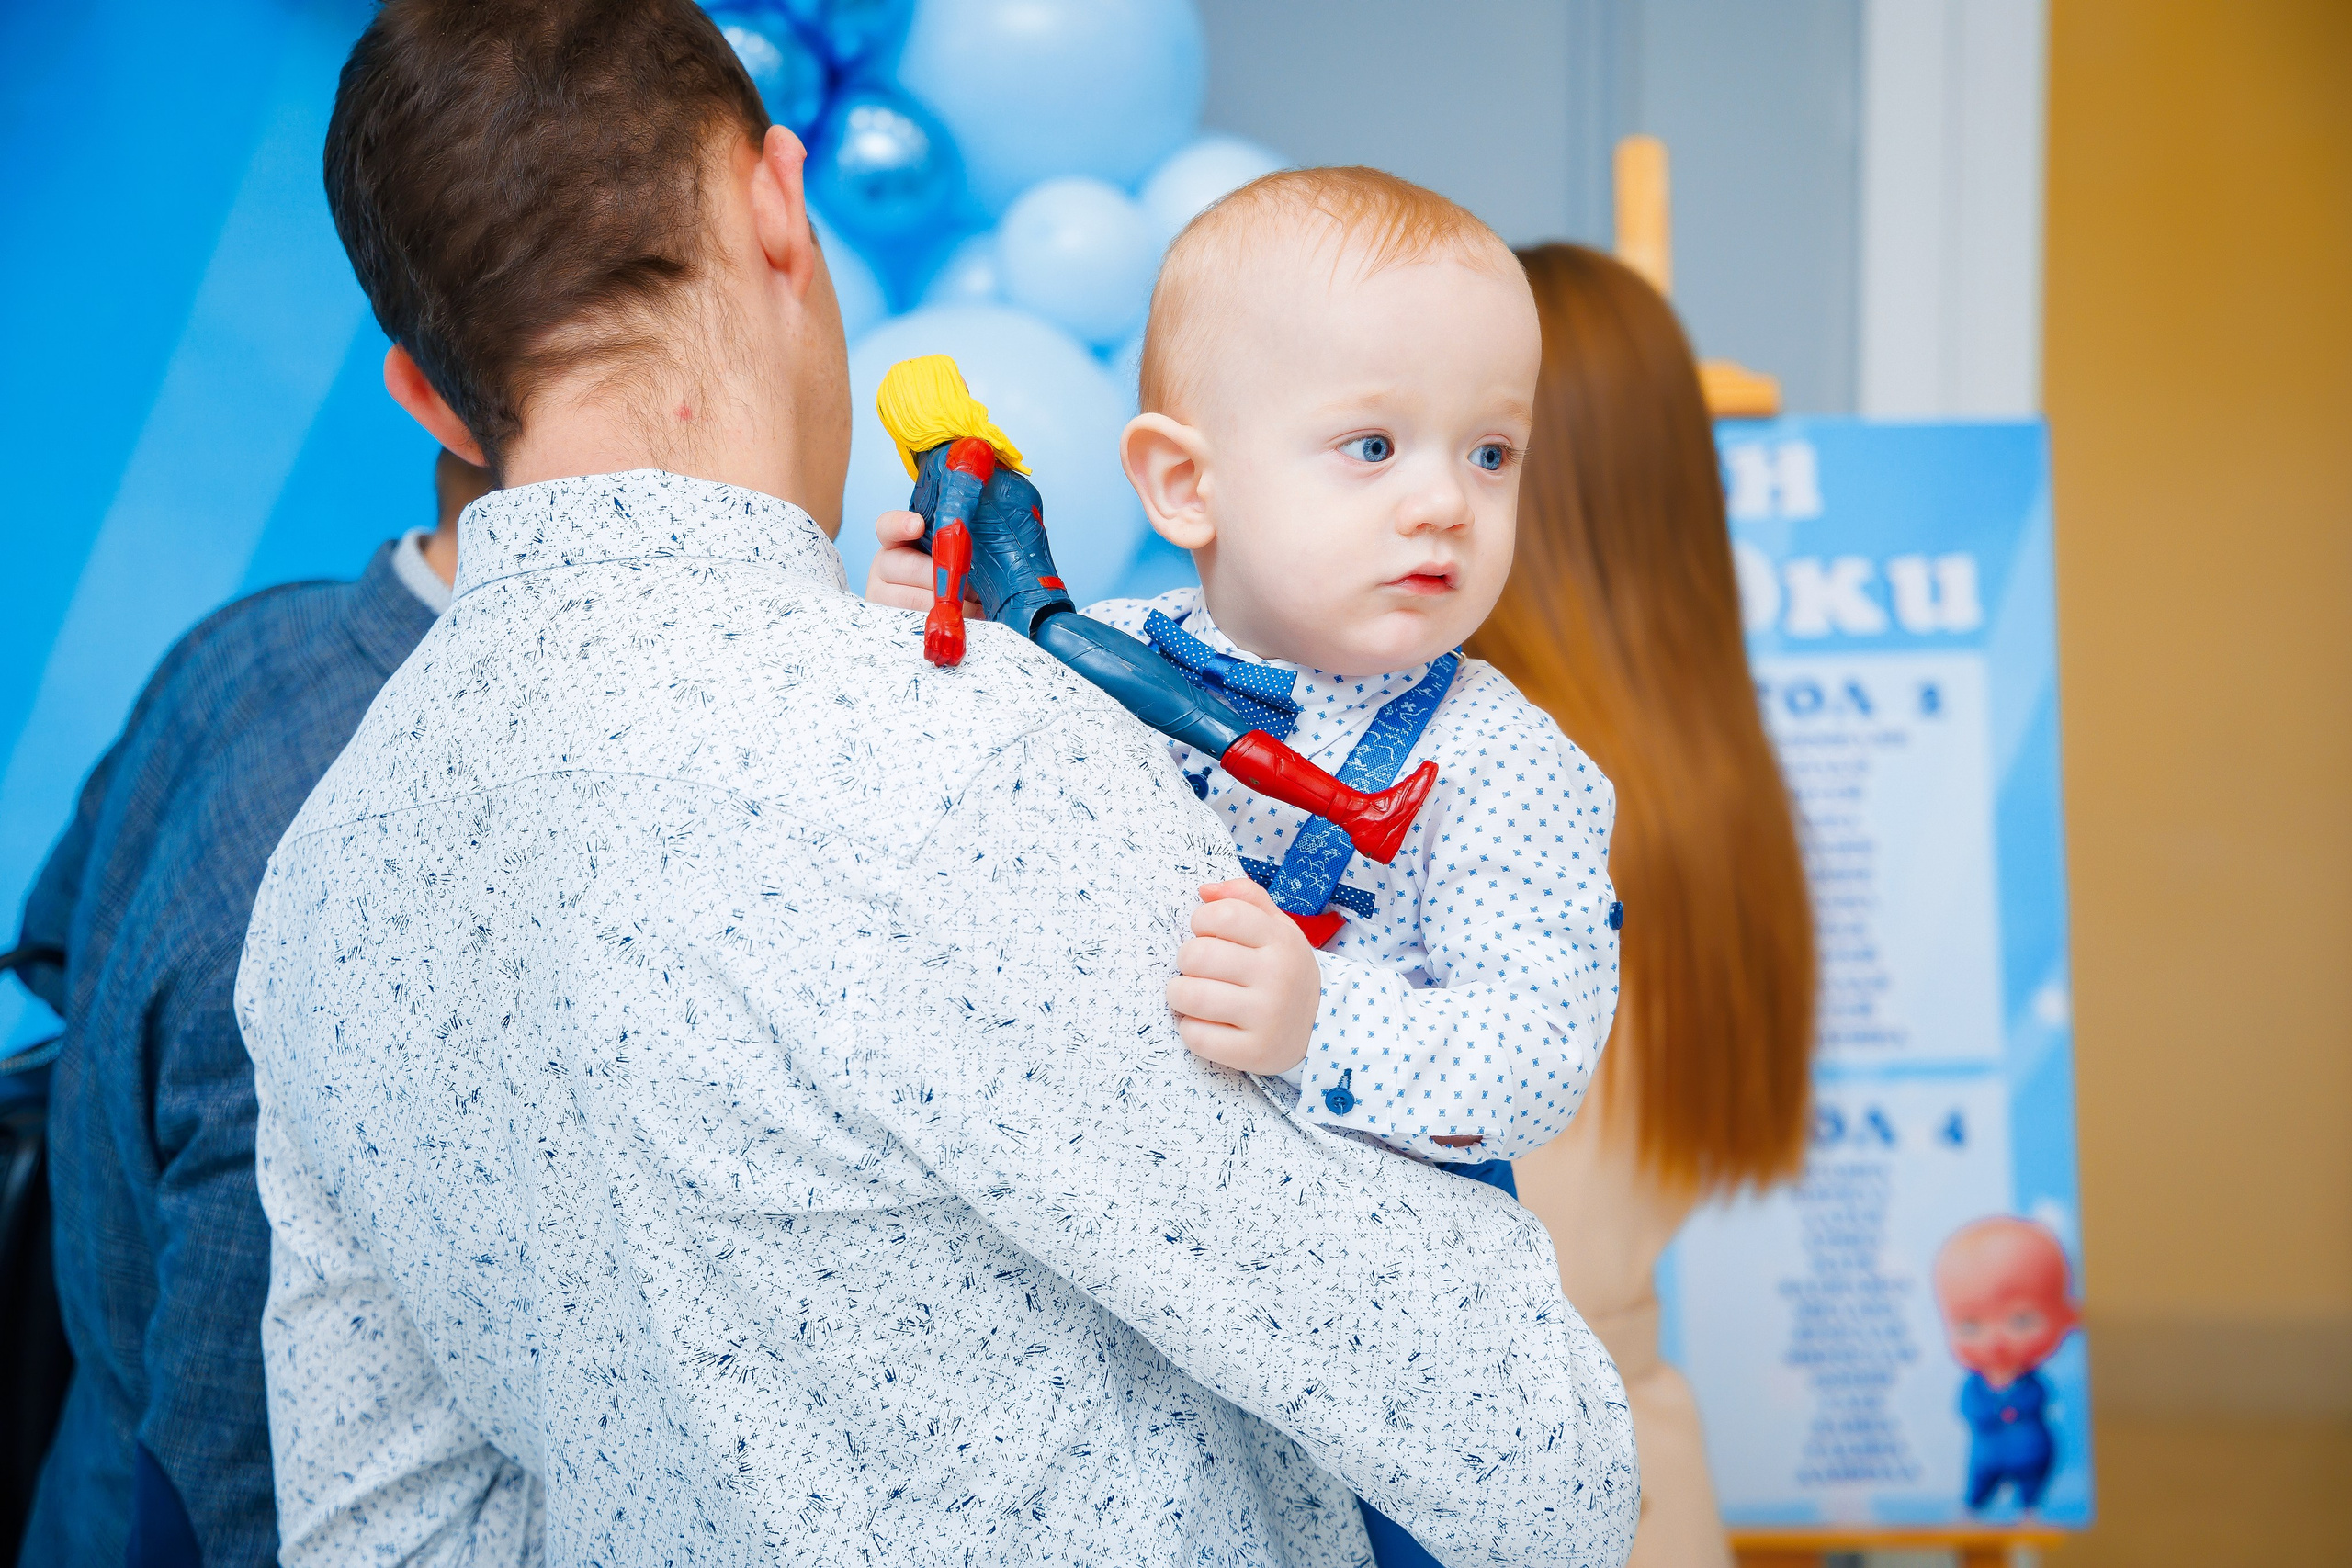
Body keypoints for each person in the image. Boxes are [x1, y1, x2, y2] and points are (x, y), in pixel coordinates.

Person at [234, 5, 1640, 1565]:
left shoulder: (321, 873)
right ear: (782, 201)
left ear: (429, 396)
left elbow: (385, 1532)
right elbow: (1530, 1449)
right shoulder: (962, 757)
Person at [868, 169, 1622, 1177]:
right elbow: (929, 843)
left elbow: (1541, 1053)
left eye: (1491, 453)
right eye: (1374, 444)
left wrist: (1321, 1020)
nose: (1447, 500)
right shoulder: (1082, 657)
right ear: (1187, 485)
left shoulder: (1502, 761)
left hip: (1346, 1273)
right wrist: (920, 648)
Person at [12, 447, 485, 1567]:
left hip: (84, 1465)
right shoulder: (400, 876)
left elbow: (57, 942)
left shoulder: (245, 639)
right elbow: (234, 1467)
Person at [1465, 243, 1818, 1567]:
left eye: (1480, 442)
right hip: (1647, 1456)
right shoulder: (1714, 783)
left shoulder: (1495, 780)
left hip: (1499, 1476)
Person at [1933, 1216, 2080, 1514]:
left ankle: (2029, 1509)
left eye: (2020, 1320)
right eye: (1971, 1325)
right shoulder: (1975, 1386)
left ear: (2067, 1318)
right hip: (1988, 1453)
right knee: (1979, 1485)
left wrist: (2015, 1411)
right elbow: (1970, 1407)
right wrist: (1997, 1413)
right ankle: (1971, 1509)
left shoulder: (2031, 1382)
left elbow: (2037, 1399)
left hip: (2030, 1452)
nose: (1995, 1342)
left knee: (2032, 1487)